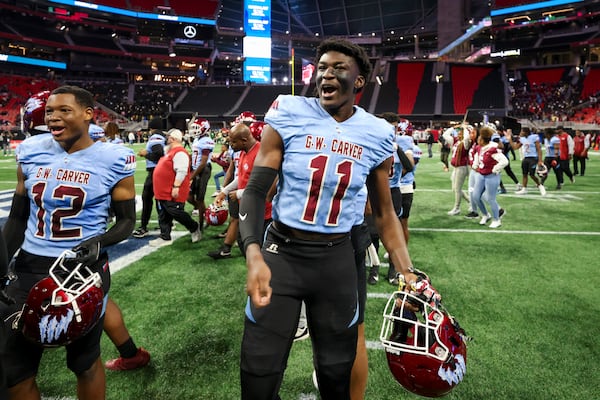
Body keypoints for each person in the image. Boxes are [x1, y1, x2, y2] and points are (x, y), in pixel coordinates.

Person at [238, 38, 418, 400]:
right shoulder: (289, 111)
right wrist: (253, 253)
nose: (326, 74)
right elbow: (256, 190)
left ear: (360, 81)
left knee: (337, 375)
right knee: (259, 372)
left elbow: (385, 214)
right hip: (282, 255)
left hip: (337, 261)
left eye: (338, 68)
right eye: (321, 68)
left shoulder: (377, 133)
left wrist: (406, 270)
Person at [0, 85, 137, 399]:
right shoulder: (31, 150)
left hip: (82, 271)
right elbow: (18, 218)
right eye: (50, 111)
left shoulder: (113, 158)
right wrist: (1, 266)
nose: (54, 117)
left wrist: (99, 242)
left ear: (88, 114)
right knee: (15, 369)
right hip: (30, 266)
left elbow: (126, 221)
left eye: (64, 110)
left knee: (84, 362)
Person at [208, 123, 272, 259]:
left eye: (233, 141)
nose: (231, 144)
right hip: (247, 208)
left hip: (261, 212)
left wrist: (239, 193)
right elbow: (241, 177)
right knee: (243, 242)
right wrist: (224, 191)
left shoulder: (260, 153)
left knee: (258, 249)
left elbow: (264, 185)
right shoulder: (243, 152)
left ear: (244, 140)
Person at [149, 129, 201, 247]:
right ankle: (165, 236)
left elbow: (181, 171)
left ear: (173, 139)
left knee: (176, 212)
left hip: (171, 190)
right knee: (163, 214)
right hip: (163, 191)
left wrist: (176, 186)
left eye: (168, 137)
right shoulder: (170, 151)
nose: (166, 139)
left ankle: (194, 227)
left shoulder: (179, 152)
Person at [132, 118, 166, 238]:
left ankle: (144, 227)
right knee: (158, 199)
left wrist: (146, 154)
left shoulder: (155, 138)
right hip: (160, 172)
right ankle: (166, 224)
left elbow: (159, 155)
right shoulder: (162, 137)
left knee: (148, 198)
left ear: (152, 128)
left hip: (156, 172)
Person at [472, 125, 508, 228]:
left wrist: (495, 169)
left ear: (483, 139)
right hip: (481, 174)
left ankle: (496, 219)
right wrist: (475, 165)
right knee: (476, 196)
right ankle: (485, 214)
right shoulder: (479, 148)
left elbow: (504, 161)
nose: (478, 139)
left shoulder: (493, 149)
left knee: (491, 198)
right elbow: (477, 157)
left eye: (480, 137)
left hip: (491, 176)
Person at [187, 117, 214, 224]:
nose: (194, 130)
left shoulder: (206, 141)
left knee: (200, 198)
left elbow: (203, 162)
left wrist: (192, 176)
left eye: (197, 128)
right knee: (188, 196)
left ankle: (201, 223)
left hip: (203, 170)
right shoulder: (197, 139)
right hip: (195, 169)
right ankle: (205, 211)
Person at [506, 126, 546, 196]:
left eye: (522, 131)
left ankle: (540, 186)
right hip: (526, 158)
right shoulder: (522, 139)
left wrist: (540, 160)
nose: (520, 133)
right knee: (524, 174)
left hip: (533, 158)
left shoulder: (534, 137)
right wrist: (510, 140)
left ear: (526, 132)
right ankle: (524, 189)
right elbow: (515, 147)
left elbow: (539, 149)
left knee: (532, 174)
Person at [447, 126, 471, 216]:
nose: (459, 133)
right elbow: (445, 135)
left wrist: (465, 129)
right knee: (455, 189)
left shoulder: (466, 143)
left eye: (461, 132)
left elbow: (467, 138)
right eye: (459, 132)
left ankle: (457, 208)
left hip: (462, 167)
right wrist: (453, 127)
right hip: (456, 168)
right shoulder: (456, 142)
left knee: (457, 189)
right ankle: (470, 201)